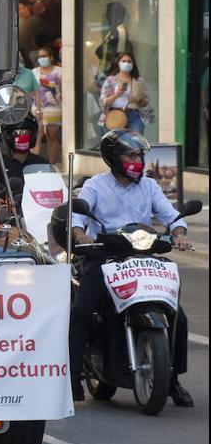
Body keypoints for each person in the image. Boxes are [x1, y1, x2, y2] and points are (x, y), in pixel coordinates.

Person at [68, 129, 193, 406]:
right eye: (132, 155)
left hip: (141, 258)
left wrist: (179, 234)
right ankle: (73, 376)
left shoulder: (149, 186)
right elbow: (77, 215)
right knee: (80, 311)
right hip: (103, 256)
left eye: (140, 155)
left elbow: (172, 217)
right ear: (114, 157)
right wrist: (81, 236)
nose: (138, 160)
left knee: (178, 316)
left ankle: (173, 382)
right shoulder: (95, 186)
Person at [98, 52, 148, 134]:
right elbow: (103, 101)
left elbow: (146, 102)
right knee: (114, 144)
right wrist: (116, 95)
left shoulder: (138, 81)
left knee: (135, 142)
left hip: (133, 115)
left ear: (133, 64)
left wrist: (137, 100)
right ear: (118, 63)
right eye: (124, 61)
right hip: (114, 115)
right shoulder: (110, 80)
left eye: (129, 61)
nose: (126, 63)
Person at [34, 46, 62, 165]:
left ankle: (52, 164)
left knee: (52, 134)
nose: (42, 58)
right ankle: (33, 164)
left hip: (54, 107)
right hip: (36, 107)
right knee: (37, 135)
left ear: (51, 57)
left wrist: (51, 85)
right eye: (40, 56)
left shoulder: (59, 71)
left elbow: (64, 89)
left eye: (44, 56)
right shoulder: (33, 72)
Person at [0, 114, 44, 187]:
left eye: (26, 132)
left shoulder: (41, 163)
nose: (22, 136)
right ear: (8, 136)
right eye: (17, 132)